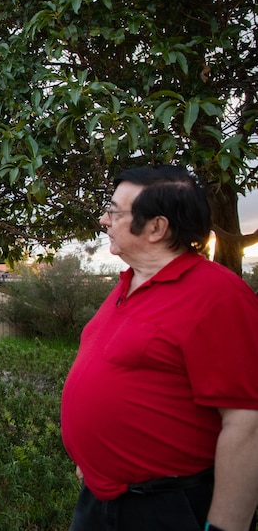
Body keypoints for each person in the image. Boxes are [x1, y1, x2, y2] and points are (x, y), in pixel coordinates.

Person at [61, 165, 258, 531]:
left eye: (115, 212)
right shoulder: (129, 283)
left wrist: (225, 527)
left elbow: (247, 421)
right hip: (100, 500)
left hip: (164, 507)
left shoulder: (218, 296)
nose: (104, 219)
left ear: (156, 227)